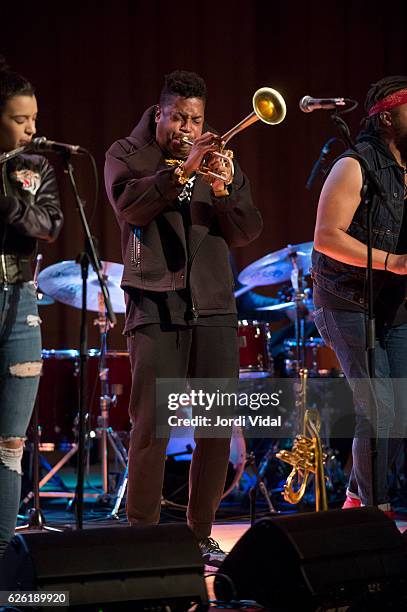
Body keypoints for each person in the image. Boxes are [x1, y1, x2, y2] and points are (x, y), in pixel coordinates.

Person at [105, 70, 262, 565]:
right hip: (154, 305)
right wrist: (182, 172)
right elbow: (132, 208)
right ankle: (143, 537)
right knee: (153, 426)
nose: (187, 128)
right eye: (178, 118)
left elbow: (246, 231)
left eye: (195, 119)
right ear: (160, 113)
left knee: (216, 428)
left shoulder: (218, 163)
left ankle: (199, 534)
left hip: (214, 307)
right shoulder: (126, 156)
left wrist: (224, 190)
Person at [312, 76, 407, 511]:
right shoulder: (354, 164)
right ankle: (374, 510)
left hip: (394, 303)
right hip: (347, 299)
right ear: (387, 116)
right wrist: (392, 262)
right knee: (380, 408)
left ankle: (356, 500)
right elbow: (326, 237)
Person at [0, 58, 63, 559]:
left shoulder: (35, 167)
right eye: (21, 120)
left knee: (10, 444)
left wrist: (6, 200)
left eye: (34, 118)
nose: (33, 129)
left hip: (20, 303)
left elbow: (48, 223)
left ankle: (1, 557)